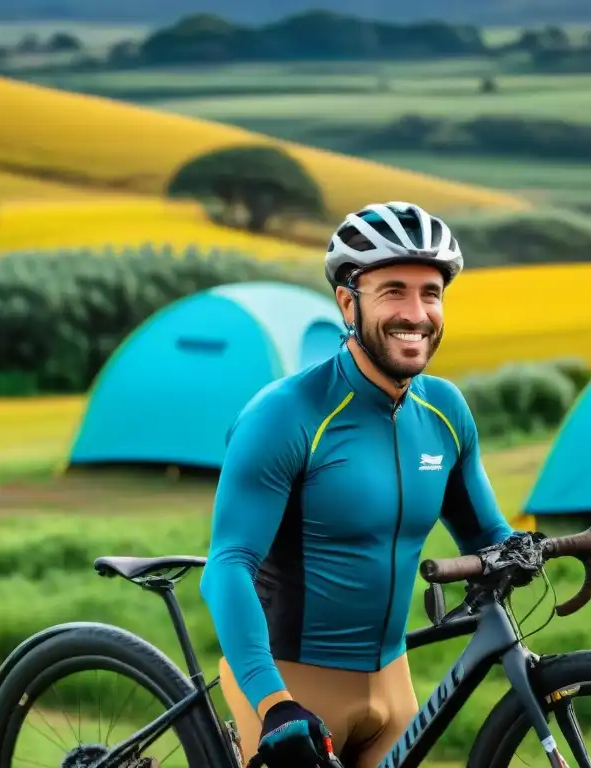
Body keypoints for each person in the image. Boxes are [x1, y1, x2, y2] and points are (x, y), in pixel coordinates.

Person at [199, 201, 514, 768]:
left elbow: (487, 533)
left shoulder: (445, 412)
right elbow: (228, 565)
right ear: (348, 301)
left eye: (431, 293)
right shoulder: (287, 415)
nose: (417, 313)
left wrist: (525, 550)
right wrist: (274, 705)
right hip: (290, 689)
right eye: (394, 291)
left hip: (393, 689)